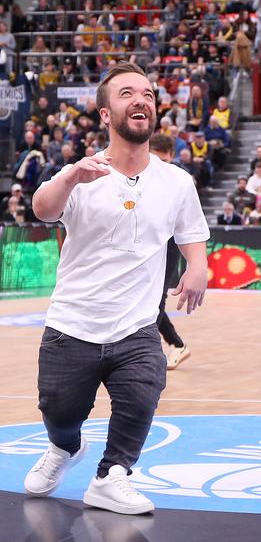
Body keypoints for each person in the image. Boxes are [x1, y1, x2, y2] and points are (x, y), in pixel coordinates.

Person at [24, 63, 209, 514]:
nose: (141, 100)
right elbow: (42, 210)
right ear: (106, 114)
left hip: (137, 327)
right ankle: (66, 449)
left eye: (147, 93)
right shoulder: (82, 172)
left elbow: (191, 233)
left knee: (143, 392)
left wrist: (198, 266)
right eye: (127, 94)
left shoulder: (176, 181)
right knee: (59, 412)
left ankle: (112, 476)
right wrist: (69, 177)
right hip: (73, 324)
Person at [149, 134, 191, 371]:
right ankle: (176, 344)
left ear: (172, 157)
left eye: (164, 160)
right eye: (155, 160)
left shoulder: (179, 181)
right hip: (148, 244)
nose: (160, 165)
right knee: (149, 300)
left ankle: (153, 352)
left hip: (169, 243)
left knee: (156, 301)